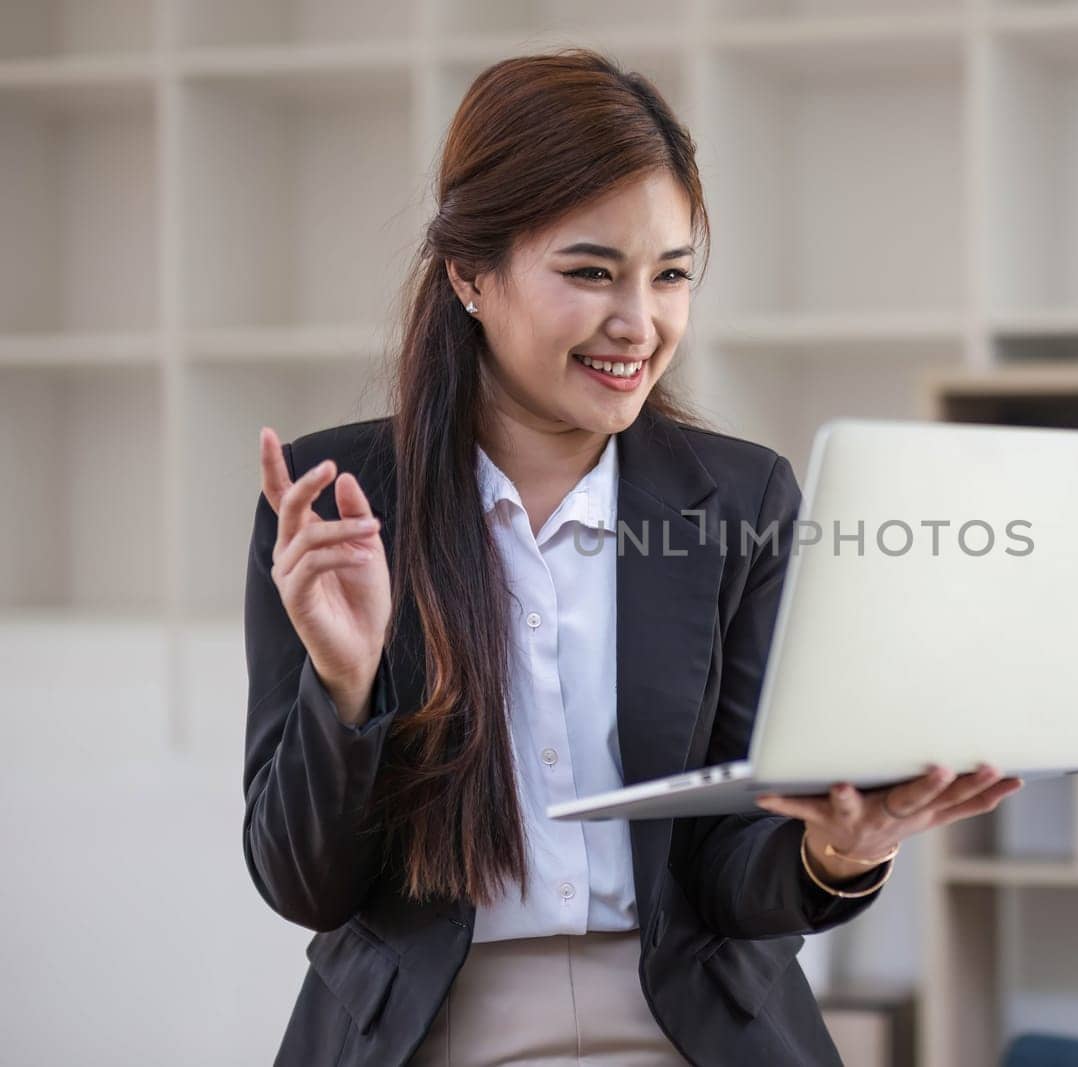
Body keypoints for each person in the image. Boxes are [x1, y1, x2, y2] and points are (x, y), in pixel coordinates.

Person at [242, 48, 1023, 1067]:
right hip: (431, 1030)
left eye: (669, 276)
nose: (638, 324)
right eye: (589, 272)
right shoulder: (339, 502)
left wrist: (837, 848)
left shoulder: (741, 500)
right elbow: (305, 884)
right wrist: (344, 690)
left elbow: (731, 869)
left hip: (689, 1026)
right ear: (469, 274)